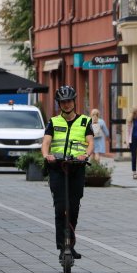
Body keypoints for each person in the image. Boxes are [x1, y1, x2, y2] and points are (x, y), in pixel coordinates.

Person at [42, 85, 94, 260]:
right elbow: (46, 142)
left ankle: (70, 245)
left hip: (76, 168)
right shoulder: (54, 122)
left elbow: (90, 142)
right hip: (58, 168)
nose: (66, 104)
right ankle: (62, 245)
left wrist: (85, 155)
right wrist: (46, 155)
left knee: (73, 207)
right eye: (63, 102)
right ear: (59, 104)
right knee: (60, 207)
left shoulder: (85, 121)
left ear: (74, 102)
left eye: (69, 101)